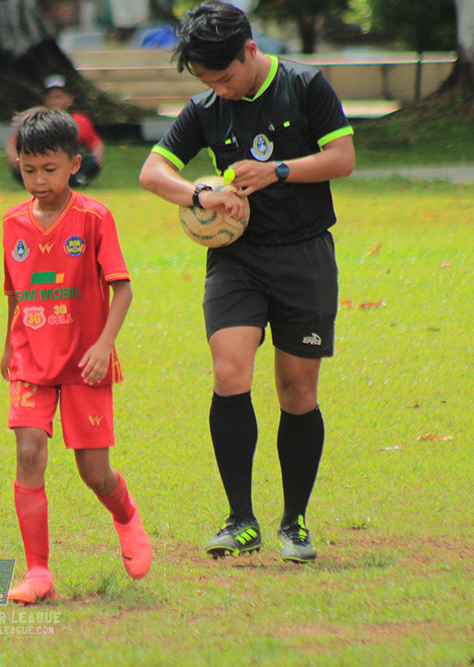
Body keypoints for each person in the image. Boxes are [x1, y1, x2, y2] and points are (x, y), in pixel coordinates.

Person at [138, 1, 355, 563]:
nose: (220, 89)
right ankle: (240, 519)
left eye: (226, 76)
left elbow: (343, 157)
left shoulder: (305, 85)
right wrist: (197, 194)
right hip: (237, 259)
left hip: (305, 254)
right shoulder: (207, 105)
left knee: (296, 391)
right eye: (208, 81)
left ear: (250, 51)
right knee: (230, 372)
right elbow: (151, 171)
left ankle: (295, 522)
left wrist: (279, 169)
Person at [1, 107, 152, 605]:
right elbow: (16, 294)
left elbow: (123, 290)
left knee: (94, 473)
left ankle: (126, 514)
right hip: (31, 360)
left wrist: (104, 344)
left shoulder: (93, 217)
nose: (38, 180)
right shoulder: (12, 224)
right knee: (27, 453)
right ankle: (38, 572)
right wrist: (8, 346)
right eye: (28, 169)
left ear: (73, 163)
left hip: (86, 361)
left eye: (49, 168)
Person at [5, 74, 105, 187]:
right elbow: (13, 142)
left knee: (90, 162)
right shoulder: (36, 120)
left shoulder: (80, 121)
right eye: (51, 97)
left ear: (69, 100)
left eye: (59, 96)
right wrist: (13, 156)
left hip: (68, 165)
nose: (55, 101)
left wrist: (97, 156)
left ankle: (72, 179)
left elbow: (95, 142)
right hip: (41, 164)